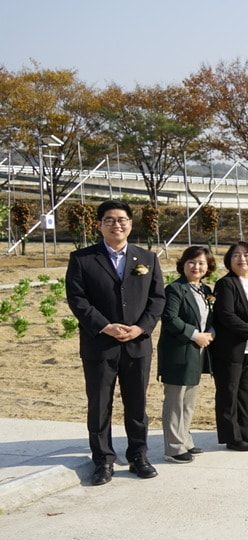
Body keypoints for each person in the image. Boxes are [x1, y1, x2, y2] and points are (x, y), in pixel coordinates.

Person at [65, 199, 165, 485]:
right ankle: (103, 461)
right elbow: (77, 300)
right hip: (100, 345)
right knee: (99, 405)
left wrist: (141, 328)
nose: (116, 224)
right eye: (109, 220)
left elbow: (157, 299)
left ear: (130, 225)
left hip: (137, 345)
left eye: (122, 220)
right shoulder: (82, 259)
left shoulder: (147, 258)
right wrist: (105, 326)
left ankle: (138, 456)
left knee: (136, 404)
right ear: (99, 225)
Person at [155, 245, 216, 464]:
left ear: (208, 267)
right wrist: (194, 335)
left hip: (197, 351)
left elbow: (211, 318)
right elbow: (170, 318)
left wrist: (210, 333)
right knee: (175, 400)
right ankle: (173, 447)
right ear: (183, 264)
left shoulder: (206, 290)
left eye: (201, 263)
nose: (196, 267)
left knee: (189, 399)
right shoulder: (175, 289)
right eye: (192, 262)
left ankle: (185, 439)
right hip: (178, 351)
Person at [209, 242, 248, 452]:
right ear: (229, 260)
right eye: (236, 255)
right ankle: (231, 437)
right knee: (228, 393)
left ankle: (246, 434)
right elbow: (226, 315)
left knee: (244, 393)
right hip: (230, 348)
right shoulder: (226, 284)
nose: (242, 259)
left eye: (246, 255)